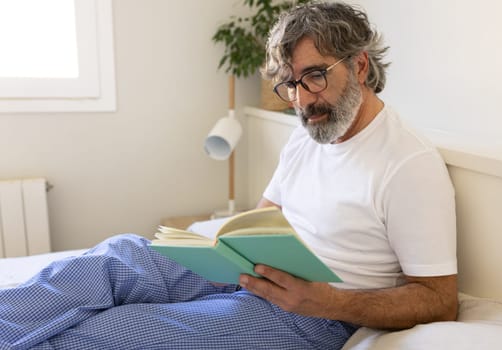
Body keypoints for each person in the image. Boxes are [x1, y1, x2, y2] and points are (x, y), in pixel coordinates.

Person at [0, 2, 457, 349]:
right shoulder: (312, 131)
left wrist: (325, 302)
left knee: (117, 330)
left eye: (314, 77)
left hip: (315, 314)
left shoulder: (407, 163)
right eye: (291, 84)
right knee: (116, 259)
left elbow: (439, 299)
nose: (301, 101)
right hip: (254, 273)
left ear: (359, 65)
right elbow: (266, 217)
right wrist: (225, 252)